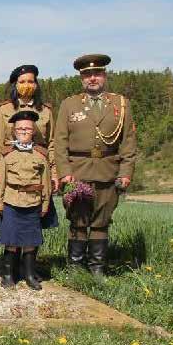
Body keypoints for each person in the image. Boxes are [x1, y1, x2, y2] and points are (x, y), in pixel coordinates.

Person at [55, 54, 137, 276]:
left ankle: (97, 269)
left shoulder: (121, 104)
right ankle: (75, 268)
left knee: (101, 221)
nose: (92, 78)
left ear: (104, 75)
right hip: (78, 172)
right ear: (81, 78)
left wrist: (126, 172)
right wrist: (64, 173)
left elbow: (128, 143)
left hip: (108, 171)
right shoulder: (69, 105)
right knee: (78, 221)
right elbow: (59, 143)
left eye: (97, 73)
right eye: (87, 75)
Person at [0, 65, 59, 229]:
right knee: (10, 225)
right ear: (15, 85)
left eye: (30, 81)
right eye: (22, 81)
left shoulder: (45, 111)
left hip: (36, 174)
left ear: (36, 84)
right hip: (11, 175)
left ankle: (30, 255)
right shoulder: (3, 110)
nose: (26, 85)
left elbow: (51, 144)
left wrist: (54, 173)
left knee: (33, 226)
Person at [0, 111, 51, 290]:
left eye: (27, 128)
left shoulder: (41, 155)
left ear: (33, 131)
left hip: (33, 203)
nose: (24, 132)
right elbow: (1, 181)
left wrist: (45, 203)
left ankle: (28, 274)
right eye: (20, 129)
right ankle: (8, 275)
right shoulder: (7, 154)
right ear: (14, 131)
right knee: (11, 241)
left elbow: (46, 182)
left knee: (31, 242)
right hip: (12, 202)